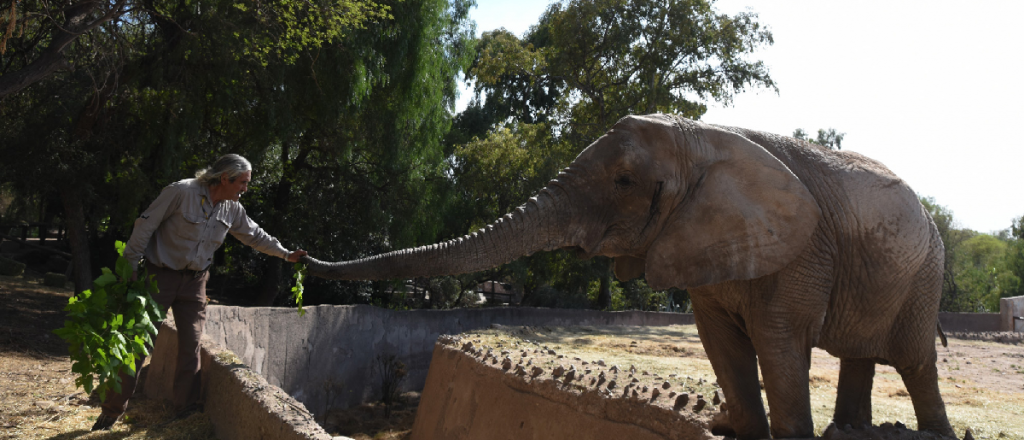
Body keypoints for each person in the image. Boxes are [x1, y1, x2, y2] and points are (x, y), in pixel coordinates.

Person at [91, 154, 308, 431]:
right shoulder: (181, 192)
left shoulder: (232, 208)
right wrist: (131, 263)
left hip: (196, 282)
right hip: (160, 277)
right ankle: (112, 411)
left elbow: (254, 235)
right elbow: (145, 224)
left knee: (191, 345)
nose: (245, 188)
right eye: (242, 182)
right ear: (224, 179)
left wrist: (286, 254)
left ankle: (185, 411)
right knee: (138, 344)